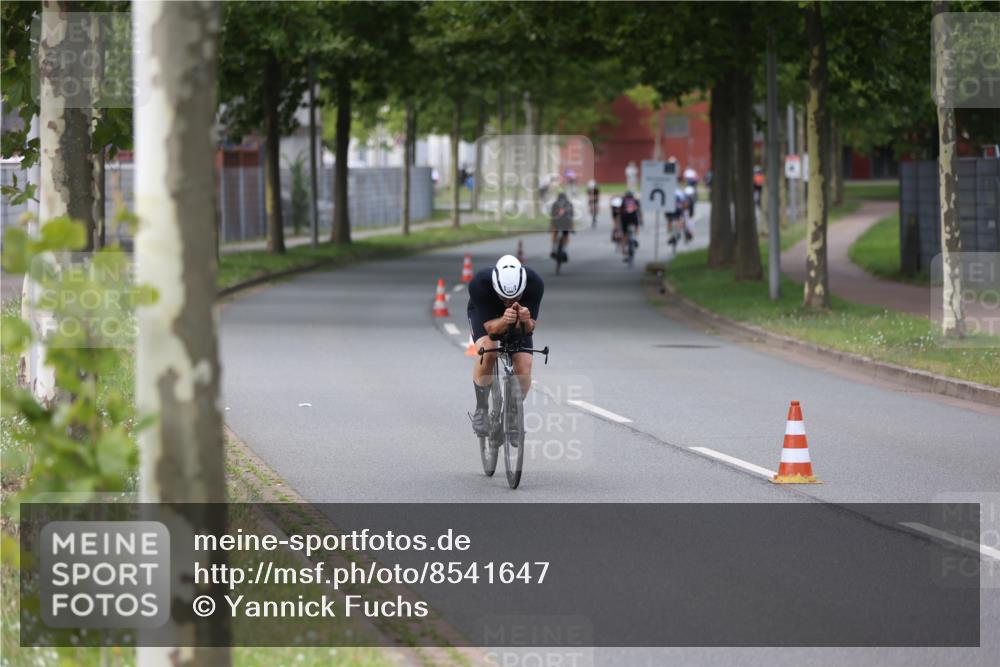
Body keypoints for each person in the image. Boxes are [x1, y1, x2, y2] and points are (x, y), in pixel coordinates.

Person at [468, 255, 544, 435]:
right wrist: (504, 319)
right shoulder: (479, 284)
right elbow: (492, 330)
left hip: (518, 319)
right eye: (505, 298)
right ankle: (481, 409)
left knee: (524, 366)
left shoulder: (535, 283)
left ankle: (513, 414)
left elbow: (530, 328)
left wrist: (525, 320)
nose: (510, 303)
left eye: (516, 297)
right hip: (485, 314)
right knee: (488, 352)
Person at [549, 192, 574, 261]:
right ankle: (564, 250)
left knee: (554, 233)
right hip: (566, 223)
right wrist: (572, 228)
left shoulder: (555, 204)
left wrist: (550, 227)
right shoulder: (569, 204)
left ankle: (553, 249)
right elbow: (571, 217)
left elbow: (552, 216)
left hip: (557, 222)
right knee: (566, 236)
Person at [618, 190, 642, 260]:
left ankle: (623, 250)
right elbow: (639, 210)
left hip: (624, 217)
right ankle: (636, 238)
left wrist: (619, 222)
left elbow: (620, 211)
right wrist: (641, 219)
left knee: (624, 234)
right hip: (633, 217)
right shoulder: (635, 200)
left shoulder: (623, 200)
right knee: (637, 226)